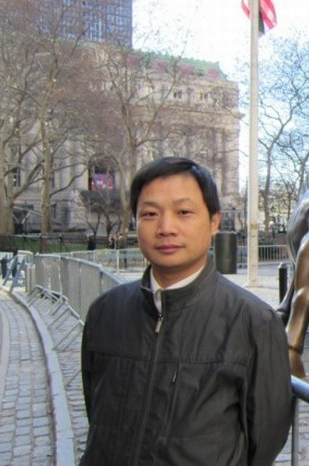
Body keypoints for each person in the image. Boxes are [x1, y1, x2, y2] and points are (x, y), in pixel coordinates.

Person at [80, 157, 293, 466]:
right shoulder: (105, 312)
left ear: (214, 221)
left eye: (183, 212)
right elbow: (97, 409)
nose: (166, 228)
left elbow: (265, 439)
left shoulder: (253, 323)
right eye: (150, 214)